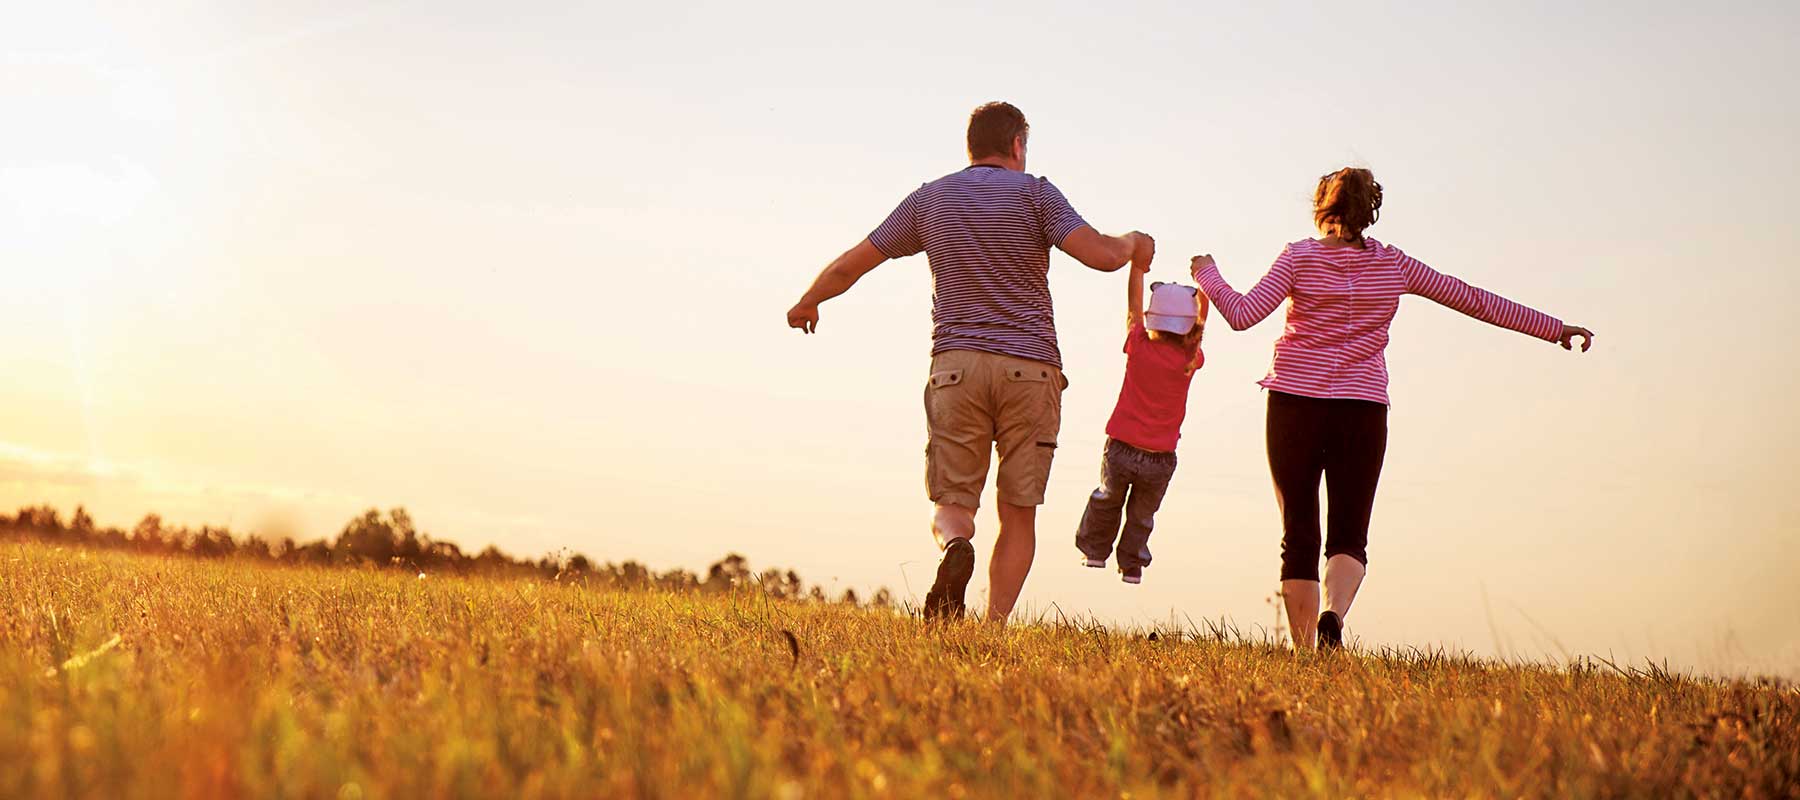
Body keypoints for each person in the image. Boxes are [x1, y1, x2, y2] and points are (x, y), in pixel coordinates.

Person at [1190, 166, 1595, 650]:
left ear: (1321, 206)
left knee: (1298, 530)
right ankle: (1332, 616)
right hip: (1361, 410)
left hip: (1295, 403)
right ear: (1370, 211)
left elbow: (1241, 314)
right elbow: (1472, 298)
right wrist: (1554, 328)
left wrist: (1206, 273)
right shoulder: (1393, 265)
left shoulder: (1298, 258)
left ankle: (1305, 657)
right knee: (1349, 532)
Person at [785, 101, 1154, 622]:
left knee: (952, 505)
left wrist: (809, 300)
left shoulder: (931, 199)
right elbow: (1101, 255)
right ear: (1018, 145)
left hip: (956, 369)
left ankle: (955, 547)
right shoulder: (1036, 194)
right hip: (1031, 371)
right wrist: (1135, 243)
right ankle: (991, 626)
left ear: (972, 146)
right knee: (1017, 512)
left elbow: (854, 263)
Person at [1073, 262, 1208, 585]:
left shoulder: (1138, 345)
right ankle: (1131, 566)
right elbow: (1203, 322)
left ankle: (1094, 551)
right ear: (1189, 326)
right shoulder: (1191, 358)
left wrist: (1137, 268)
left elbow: (1132, 309)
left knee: (1107, 498)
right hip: (1161, 457)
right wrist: (1203, 283)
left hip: (1121, 447)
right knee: (1142, 515)